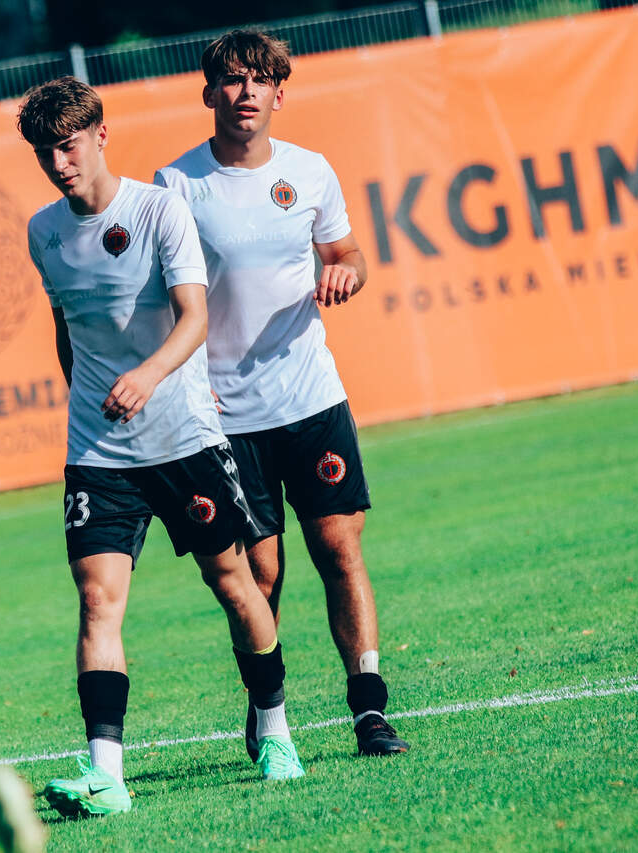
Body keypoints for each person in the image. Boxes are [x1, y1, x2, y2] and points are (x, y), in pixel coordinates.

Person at [16, 76, 306, 818]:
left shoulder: (158, 209)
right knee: (97, 599)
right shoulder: (43, 232)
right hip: (99, 451)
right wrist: (87, 397)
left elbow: (194, 318)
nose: (58, 163)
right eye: (45, 152)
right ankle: (106, 774)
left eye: (68, 145)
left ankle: (275, 730)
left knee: (233, 581)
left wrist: (146, 376)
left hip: (183, 437)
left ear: (100, 135)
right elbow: (66, 328)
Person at [155, 30, 410, 757]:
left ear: (278, 94)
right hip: (226, 416)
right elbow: (160, 297)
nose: (245, 93)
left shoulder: (310, 171)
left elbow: (347, 252)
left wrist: (347, 272)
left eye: (259, 80)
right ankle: (268, 710)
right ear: (209, 93)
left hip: (310, 398)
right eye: (232, 80)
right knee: (260, 573)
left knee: (339, 548)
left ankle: (369, 708)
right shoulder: (176, 186)